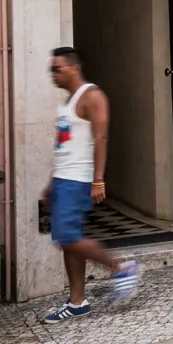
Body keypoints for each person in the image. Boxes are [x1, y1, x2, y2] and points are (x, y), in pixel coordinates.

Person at [41, 47, 141, 324]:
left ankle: (120, 267)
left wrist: (98, 179)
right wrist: (52, 183)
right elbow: (64, 145)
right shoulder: (68, 101)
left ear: (73, 68)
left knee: (66, 236)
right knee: (70, 241)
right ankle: (77, 302)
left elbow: (101, 139)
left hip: (78, 179)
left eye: (57, 69)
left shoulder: (93, 96)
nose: (53, 74)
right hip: (63, 178)